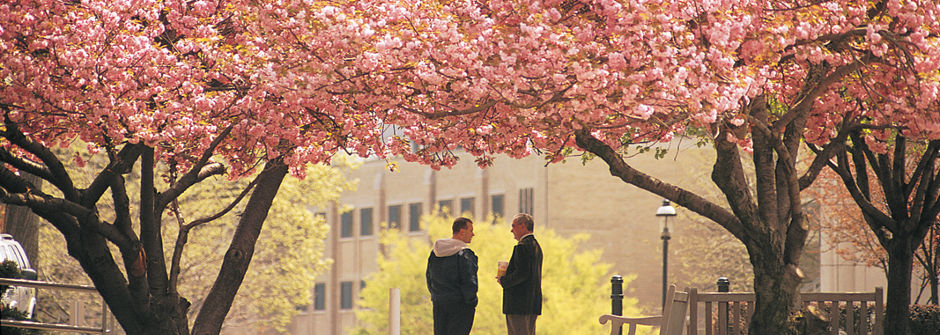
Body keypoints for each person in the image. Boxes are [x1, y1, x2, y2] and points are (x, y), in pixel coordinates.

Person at [426, 217, 478, 335]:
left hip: (439, 303)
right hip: (460, 305)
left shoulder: (435, 253)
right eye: (471, 230)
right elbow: (469, 280)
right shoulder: (464, 254)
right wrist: (471, 302)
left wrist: (436, 295)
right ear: (462, 231)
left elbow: (429, 277)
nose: (473, 234)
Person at [498, 213, 542, 335]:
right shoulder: (536, 246)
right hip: (532, 303)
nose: (511, 230)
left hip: (518, 304)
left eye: (514, 226)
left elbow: (522, 274)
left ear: (523, 226)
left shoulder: (522, 247)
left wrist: (503, 280)